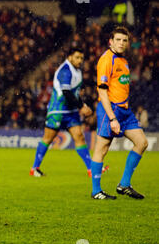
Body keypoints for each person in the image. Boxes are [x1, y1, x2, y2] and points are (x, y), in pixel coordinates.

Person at [90, 26, 148, 200]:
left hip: (125, 110)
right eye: (118, 40)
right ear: (111, 41)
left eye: (124, 40)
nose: (121, 43)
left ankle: (124, 184)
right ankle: (96, 191)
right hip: (111, 110)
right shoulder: (107, 60)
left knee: (142, 142)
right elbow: (102, 92)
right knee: (102, 148)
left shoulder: (123, 61)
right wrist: (112, 118)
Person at [30, 48, 100, 177]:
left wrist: (82, 105)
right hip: (58, 110)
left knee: (79, 136)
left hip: (71, 110)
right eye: (77, 57)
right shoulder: (65, 70)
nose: (80, 61)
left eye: (81, 58)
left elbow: (74, 93)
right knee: (48, 138)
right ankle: (35, 168)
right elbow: (67, 92)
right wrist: (81, 107)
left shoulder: (77, 71)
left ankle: (91, 169)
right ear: (70, 57)